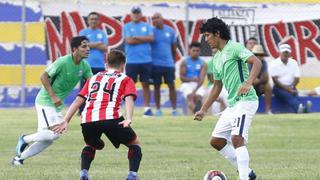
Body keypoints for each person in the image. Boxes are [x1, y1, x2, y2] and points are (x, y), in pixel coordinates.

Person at [52, 50, 142, 180]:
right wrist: (128, 118)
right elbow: (129, 98)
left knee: (90, 145)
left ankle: (84, 173)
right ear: (123, 65)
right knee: (135, 144)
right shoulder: (125, 79)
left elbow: (79, 100)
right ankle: (132, 175)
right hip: (112, 119)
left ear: (106, 64)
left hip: (88, 120)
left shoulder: (93, 78)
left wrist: (66, 120)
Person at [194, 17, 262, 180]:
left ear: (218, 34)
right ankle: (249, 173)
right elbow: (217, 86)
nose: (206, 39)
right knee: (216, 141)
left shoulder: (235, 47)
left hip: (246, 100)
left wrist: (248, 82)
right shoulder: (216, 58)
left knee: (237, 138)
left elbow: (256, 62)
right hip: (232, 105)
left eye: (208, 35)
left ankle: (244, 177)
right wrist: (203, 109)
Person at [12, 36, 93, 165]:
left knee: (50, 138)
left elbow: (92, 83)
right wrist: (53, 96)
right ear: (74, 49)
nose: (87, 49)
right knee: (52, 134)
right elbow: (43, 77)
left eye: (88, 46)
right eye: (84, 46)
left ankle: (18, 159)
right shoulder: (62, 61)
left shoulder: (85, 66)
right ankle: (24, 139)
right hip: (46, 101)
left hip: (56, 105)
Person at [123, 6, 154, 116]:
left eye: (138, 13)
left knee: (146, 84)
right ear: (131, 14)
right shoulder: (126, 26)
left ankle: (147, 109)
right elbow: (129, 40)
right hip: (131, 61)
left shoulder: (147, 26)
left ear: (141, 14)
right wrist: (143, 38)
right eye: (134, 13)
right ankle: (128, 108)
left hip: (146, 60)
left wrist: (136, 37)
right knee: (129, 86)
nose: (136, 15)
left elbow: (151, 38)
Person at [79, 11, 108, 114]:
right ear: (88, 20)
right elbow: (82, 45)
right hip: (86, 65)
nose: (94, 21)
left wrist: (90, 44)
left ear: (99, 21)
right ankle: (81, 110)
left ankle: (97, 110)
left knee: (100, 89)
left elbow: (105, 47)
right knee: (84, 89)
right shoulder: (83, 32)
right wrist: (97, 44)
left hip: (100, 65)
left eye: (96, 19)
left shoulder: (102, 33)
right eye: (91, 19)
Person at [151, 12, 180, 116]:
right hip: (155, 64)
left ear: (162, 18)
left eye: (157, 17)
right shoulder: (151, 32)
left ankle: (174, 110)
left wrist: (172, 61)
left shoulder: (170, 31)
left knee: (171, 86)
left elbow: (174, 48)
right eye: (153, 18)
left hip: (168, 64)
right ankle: (158, 110)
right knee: (156, 87)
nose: (155, 20)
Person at [270, 44, 312, 113]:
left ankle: (301, 109)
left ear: (290, 54)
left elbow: (297, 78)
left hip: (291, 86)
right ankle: (301, 108)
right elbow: (275, 80)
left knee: (293, 94)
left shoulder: (294, 62)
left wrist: (291, 87)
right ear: (279, 52)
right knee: (288, 95)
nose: (285, 54)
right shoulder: (274, 63)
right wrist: (287, 89)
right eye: (284, 52)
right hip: (278, 88)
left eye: (287, 52)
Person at [180, 42, 207, 115]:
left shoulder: (203, 63)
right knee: (190, 97)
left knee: (198, 97)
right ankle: (197, 113)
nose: (195, 53)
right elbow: (182, 78)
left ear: (200, 51)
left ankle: (197, 111)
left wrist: (195, 90)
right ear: (189, 51)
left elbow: (202, 79)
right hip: (187, 83)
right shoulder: (184, 62)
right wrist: (191, 79)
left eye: (197, 51)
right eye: (194, 50)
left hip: (198, 84)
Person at [249, 44, 272, 114]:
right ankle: (250, 111)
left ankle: (268, 110)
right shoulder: (249, 63)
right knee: (250, 88)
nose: (258, 57)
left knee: (268, 86)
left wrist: (261, 81)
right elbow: (251, 80)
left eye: (261, 55)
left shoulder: (264, 63)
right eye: (256, 55)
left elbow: (266, 78)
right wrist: (261, 81)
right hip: (248, 86)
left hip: (258, 85)